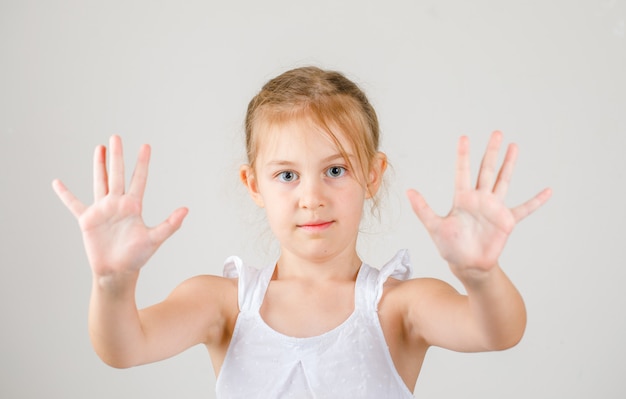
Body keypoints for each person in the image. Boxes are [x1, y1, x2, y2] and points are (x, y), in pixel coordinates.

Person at [52, 66, 551, 398]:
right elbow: (122, 349)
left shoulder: (398, 308)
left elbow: (498, 332)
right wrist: (112, 285)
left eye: (335, 171)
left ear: (372, 175)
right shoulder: (223, 304)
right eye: (287, 175)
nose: (311, 197)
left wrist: (481, 275)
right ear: (253, 183)